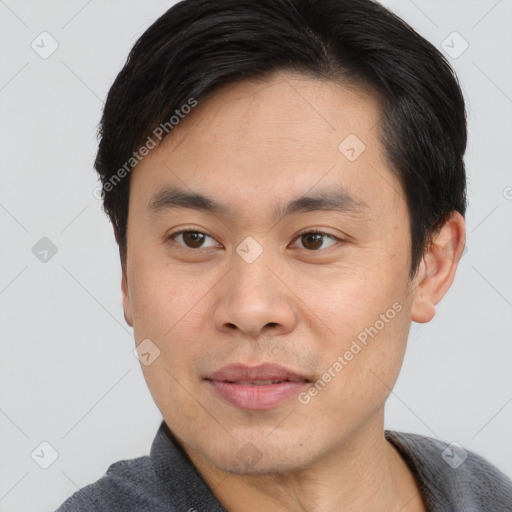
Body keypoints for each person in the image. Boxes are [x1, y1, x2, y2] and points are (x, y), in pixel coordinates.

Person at [56, 0, 512, 510]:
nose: (250, 309)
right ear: (126, 271)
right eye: (193, 238)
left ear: (432, 263)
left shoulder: (485, 495)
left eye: (315, 239)